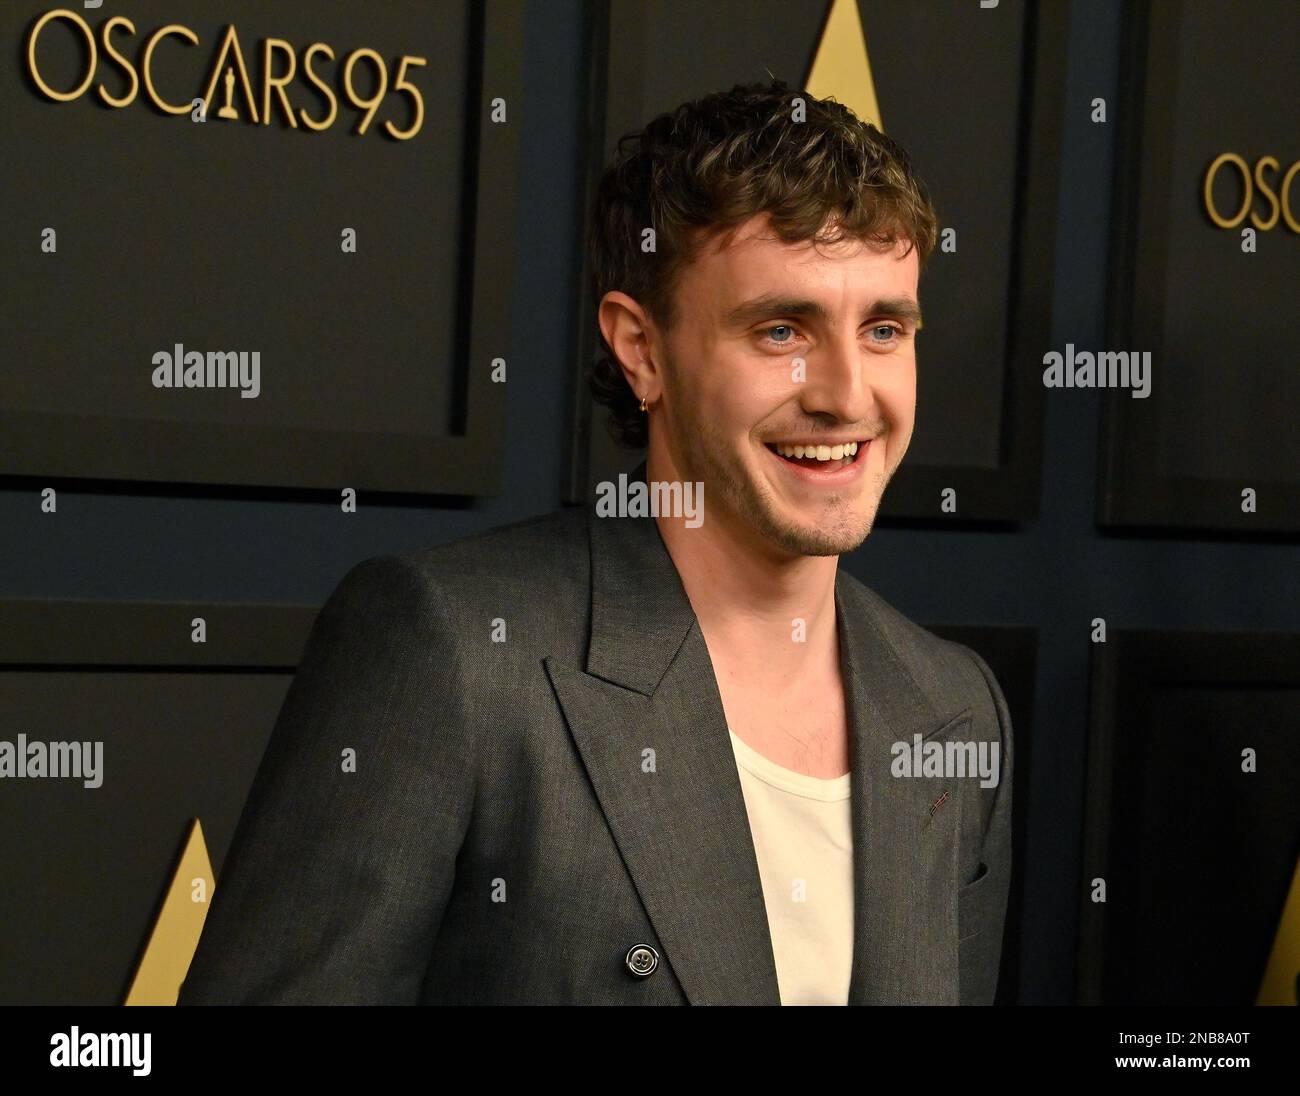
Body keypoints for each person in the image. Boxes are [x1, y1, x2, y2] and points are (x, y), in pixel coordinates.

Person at [178, 79, 1012, 1006]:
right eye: (782, 329)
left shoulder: (953, 706)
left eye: (885, 329)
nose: (847, 394)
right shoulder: (453, 651)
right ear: (641, 348)